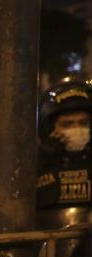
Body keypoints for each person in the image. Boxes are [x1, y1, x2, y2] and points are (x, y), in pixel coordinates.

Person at [36, 77, 92, 213]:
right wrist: (48, 155)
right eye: (67, 124)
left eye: (83, 123)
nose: (76, 129)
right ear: (49, 129)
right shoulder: (33, 166)